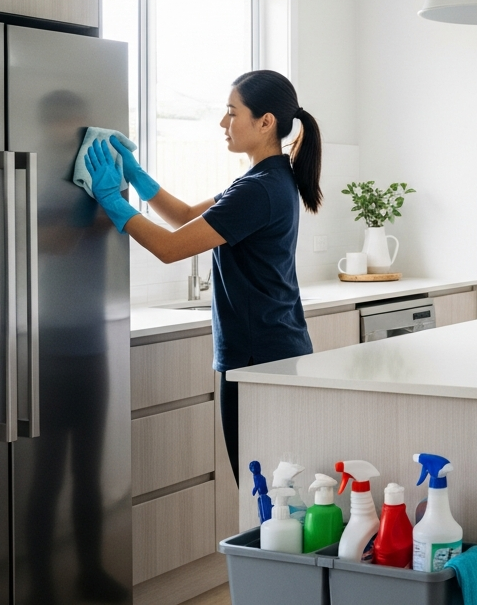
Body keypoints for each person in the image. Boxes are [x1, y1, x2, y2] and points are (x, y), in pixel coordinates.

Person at [83, 70, 322, 482]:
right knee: (274, 488)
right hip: (272, 348)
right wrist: (137, 177)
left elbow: (170, 248)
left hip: (258, 357)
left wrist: (110, 200)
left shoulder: (258, 189)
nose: (223, 123)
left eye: (232, 113)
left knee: (261, 488)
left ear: (265, 122)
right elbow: (184, 218)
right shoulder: (265, 178)